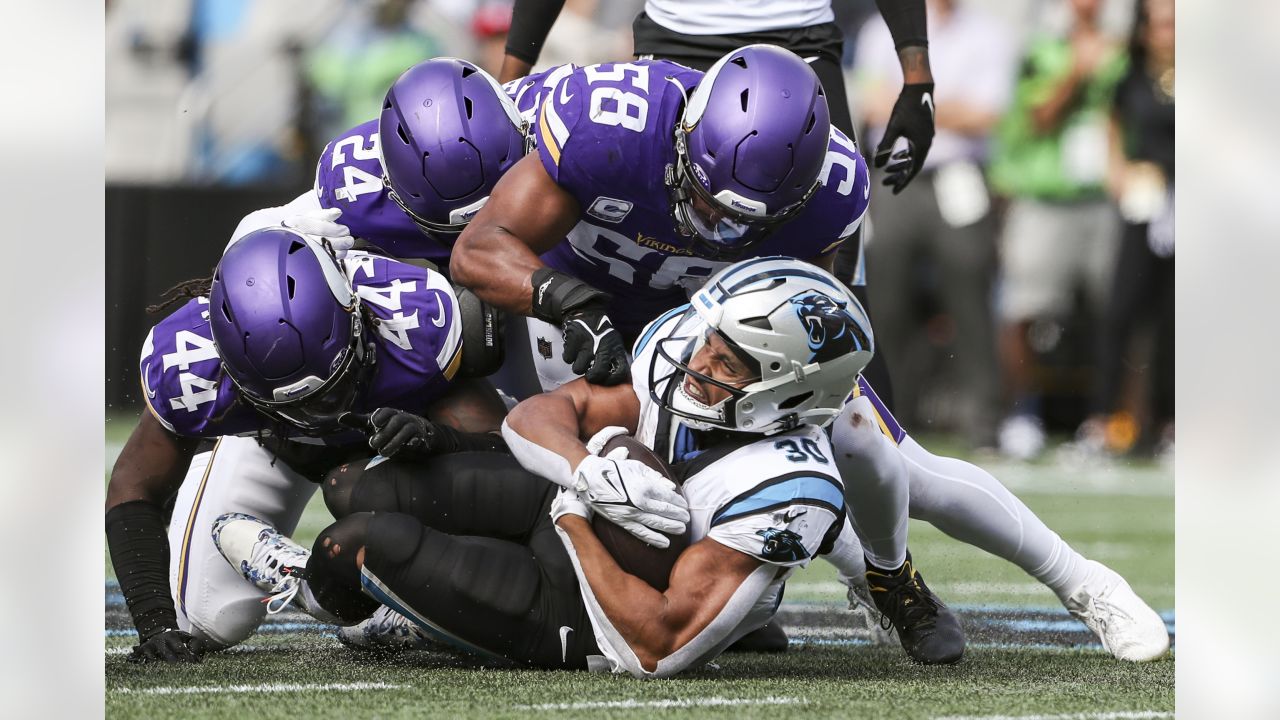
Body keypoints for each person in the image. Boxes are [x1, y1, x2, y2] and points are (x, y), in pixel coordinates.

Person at [453, 45, 1170, 662]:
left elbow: (820, 323)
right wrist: (562, 301)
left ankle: (1072, 582)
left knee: (873, 444)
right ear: (686, 138)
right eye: (707, 201)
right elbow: (479, 249)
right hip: (580, 304)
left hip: (719, 323)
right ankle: (751, 602)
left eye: (741, 219)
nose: (715, 227)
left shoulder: (832, 189)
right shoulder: (609, 126)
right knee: (623, 473)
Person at [212, 257, 966, 674]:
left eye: (728, 360)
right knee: (352, 487)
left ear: (789, 392)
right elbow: (539, 416)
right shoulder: (686, 360)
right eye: (710, 341)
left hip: (594, 611)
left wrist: (574, 517)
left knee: (353, 544)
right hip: (580, 509)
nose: (697, 360)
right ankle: (413, 608)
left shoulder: (791, 489)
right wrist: (584, 470)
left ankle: (337, 601)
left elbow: (657, 646)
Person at [498, 0, 941, 410]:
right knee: (641, 264)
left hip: (799, 59)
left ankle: (856, 459)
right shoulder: (619, 118)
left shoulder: (840, 176)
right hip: (675, 48)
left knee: (822, 307)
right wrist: (510, 77)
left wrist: (916, 70)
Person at [106, 226, 509, 662]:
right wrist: (154, 623)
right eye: (297, 402)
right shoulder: (193, 368)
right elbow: (133, 487)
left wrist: (435, 438)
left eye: (329, 391)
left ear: (356, 315)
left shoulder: (412, 322)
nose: (319, 415)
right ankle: (300, 577)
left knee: (490, 561)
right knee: (206, 618)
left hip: (390, 452)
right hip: (272, 447)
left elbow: (504, 459)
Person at [855, 0, 1015, 449]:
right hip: (894, 176)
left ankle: (984, 419)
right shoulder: (875, 30)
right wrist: (944, 106)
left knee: (970, 286)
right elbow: (871, 105)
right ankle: (889, 416)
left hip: (957, 176)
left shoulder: (987, 32)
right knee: (884, 291)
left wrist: (912, 101)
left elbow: (988, 114)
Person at [988, 0, 1128, 460]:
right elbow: (1037, 118)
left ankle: (1111, 419)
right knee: (1023, 312)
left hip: (1104, 198)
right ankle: (1020, 414)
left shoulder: (1124, 50)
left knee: (1117, 313)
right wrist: (1077, 73)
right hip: (1046, 197)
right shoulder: (1041, 49)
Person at [1075, 0, 1174, 458]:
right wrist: (1117, 171)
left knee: (1177, 318)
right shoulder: (1132, 75)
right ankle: (1103, 419)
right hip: (1143, 203)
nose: (1164, 34)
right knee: (1120, 310)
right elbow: (1111, 122)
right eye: (1157, 25)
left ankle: (1169, 423)